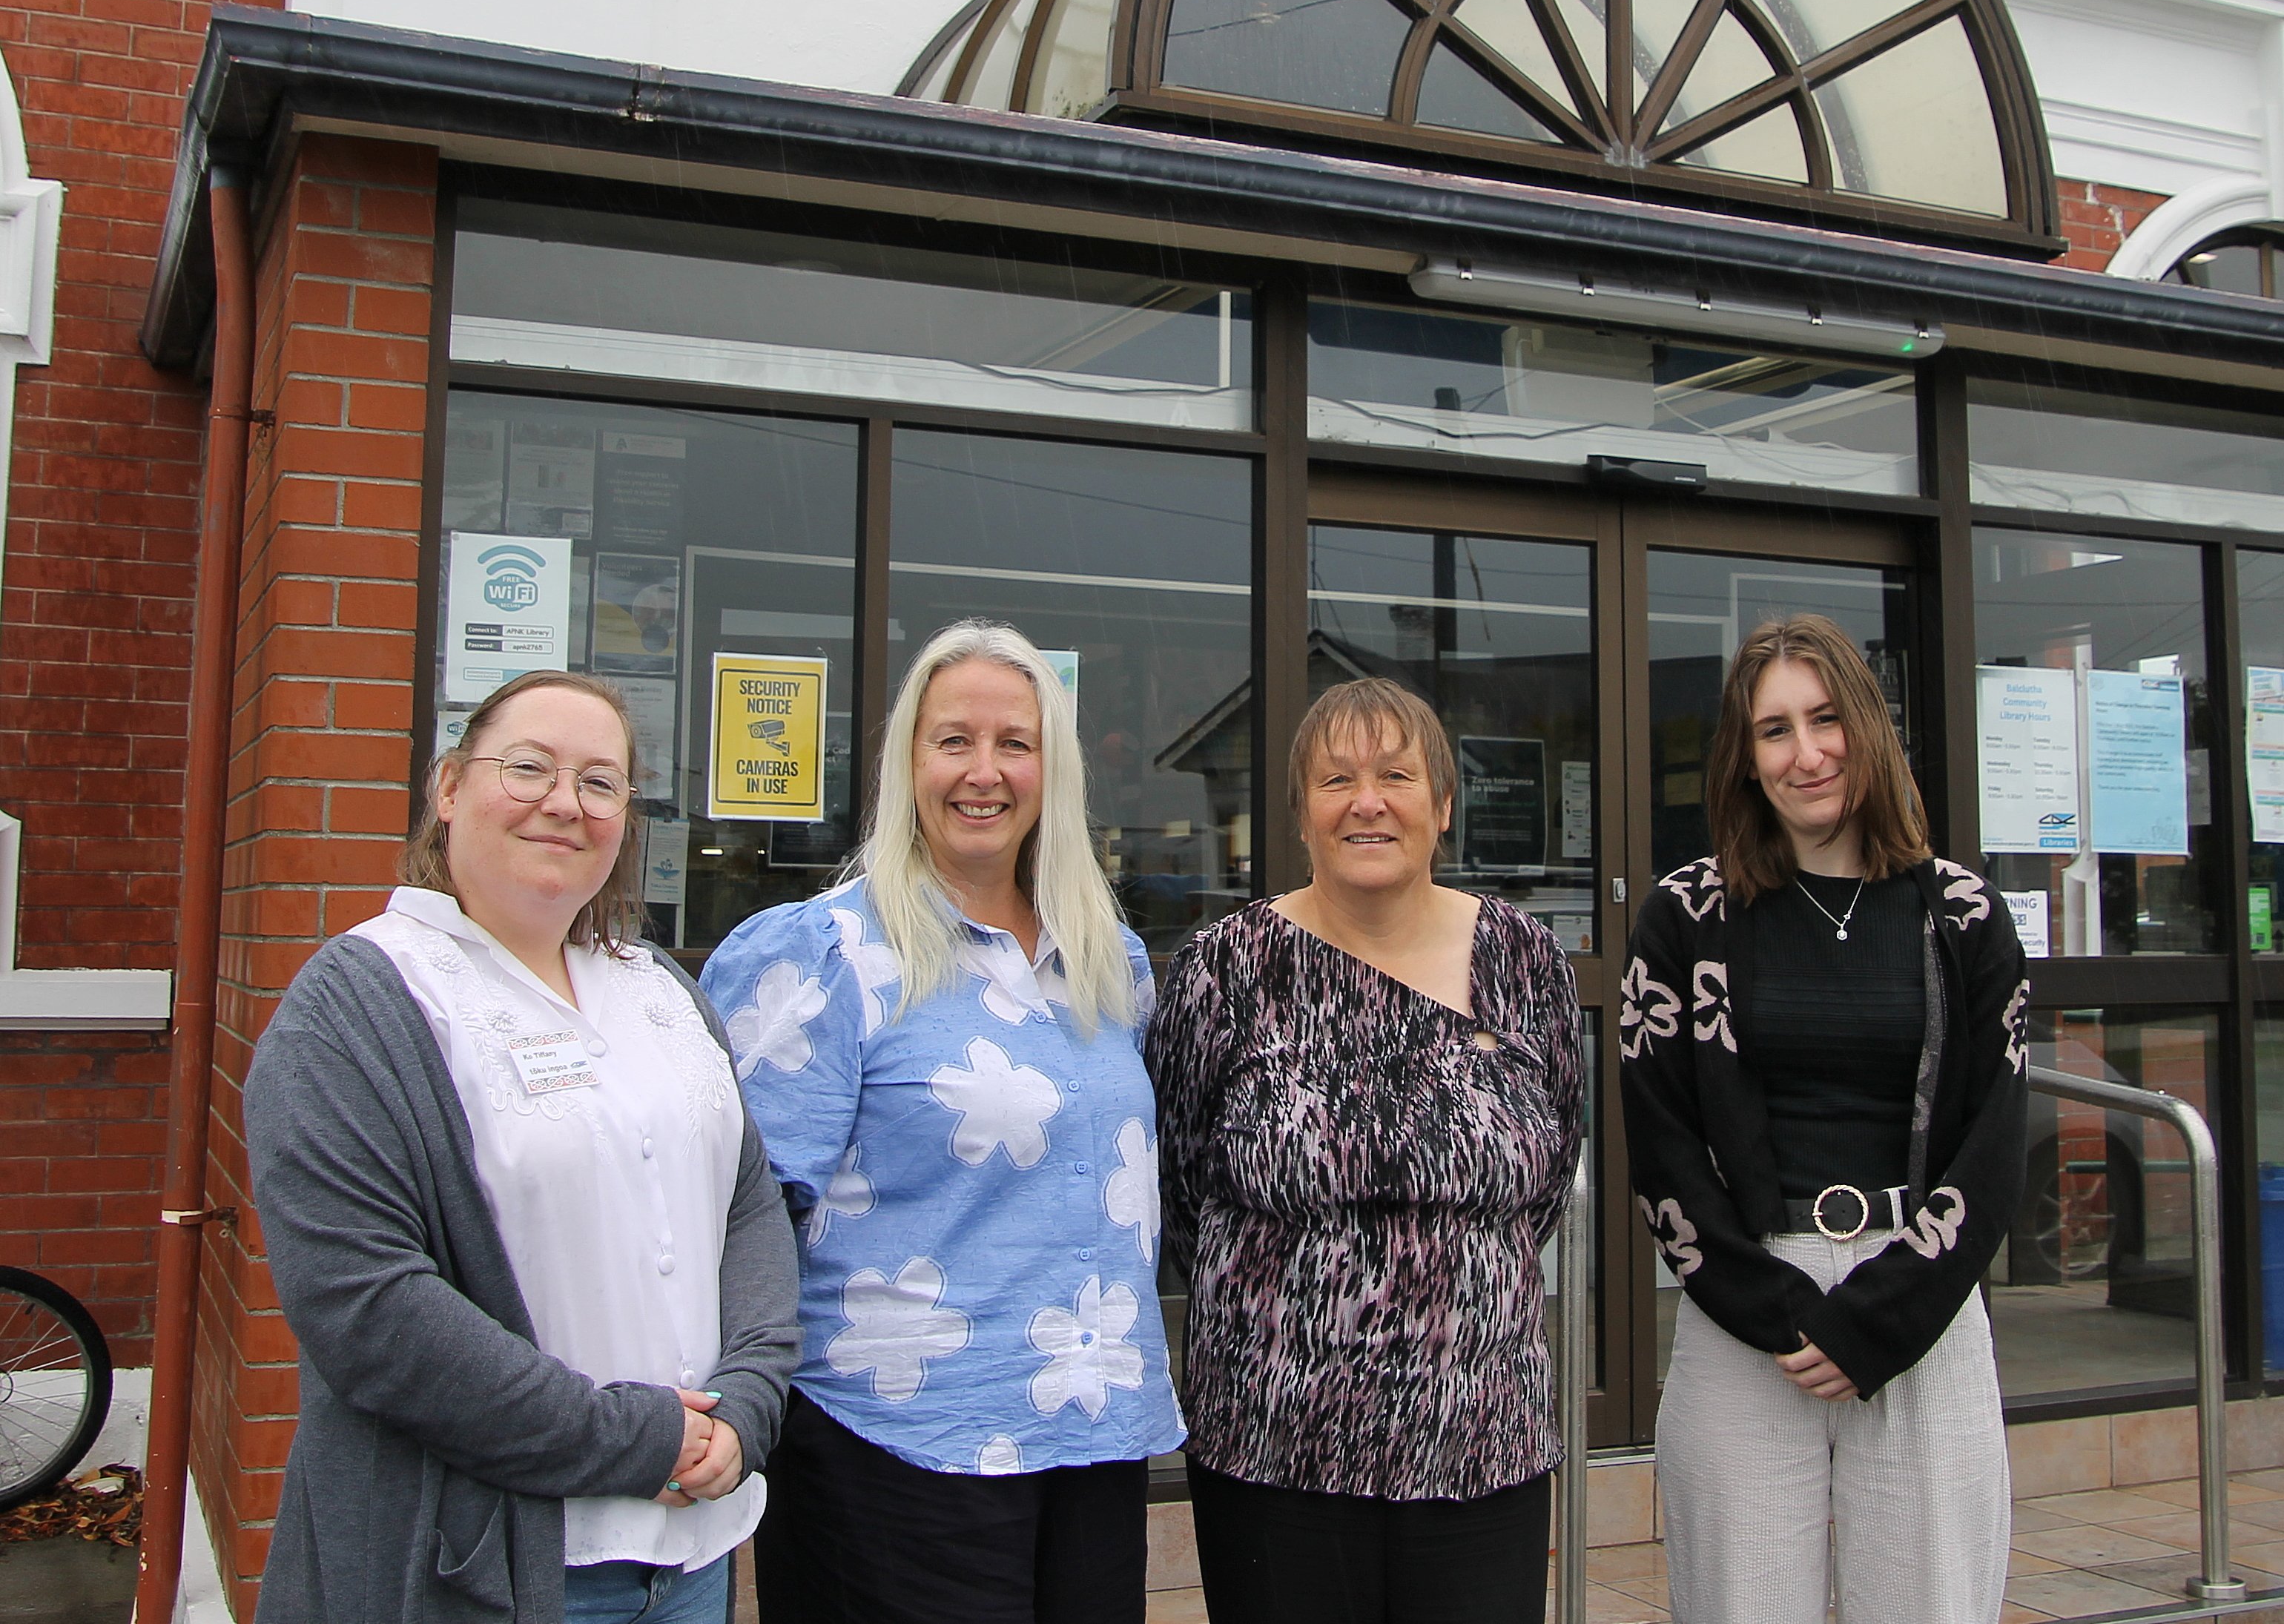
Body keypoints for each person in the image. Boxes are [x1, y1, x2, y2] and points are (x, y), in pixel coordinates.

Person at [245, 670, 799, 1624]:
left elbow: (745, 1206)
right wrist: (633, 1439)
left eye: (599, 782)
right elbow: (367, 1309)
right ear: (450, 789)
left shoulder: (657, 986)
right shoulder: (357, 1006)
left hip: (693, 1558)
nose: (563, 803)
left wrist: (746, 1402)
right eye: (529, 767)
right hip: (484, 1566)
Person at [701, 619, 1182, 1624]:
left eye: (1015, 742)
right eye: (952, 739)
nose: (984, 771)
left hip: (1087, 1427)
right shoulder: (824, 956)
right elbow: (742, 1217)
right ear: (905, 762)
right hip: (894, 1440)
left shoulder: (1108, 960)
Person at [1146, 675, 1585, 1624]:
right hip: (1272, 1448)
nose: (1367, 801)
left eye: (1395, 774)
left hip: (1481, 1443)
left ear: (1442, 803)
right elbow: (1178, 1187)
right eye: (1336, 779)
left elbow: (1546, 1173)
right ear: (1301, 813)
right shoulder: (1224, 969)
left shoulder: (1523, 961)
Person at [1619, 614, 2028, 1624]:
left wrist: (1884, 1311)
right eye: (1773, 730)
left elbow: (1995, 1133)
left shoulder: (1963, 913)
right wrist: (1780, 1308)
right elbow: (1660, 1134)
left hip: (1924, 1302)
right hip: (1747, 1311)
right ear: (1745, 760)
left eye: (1827, 717)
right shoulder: (1686, 913)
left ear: (1870, 728)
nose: (1807, 753)